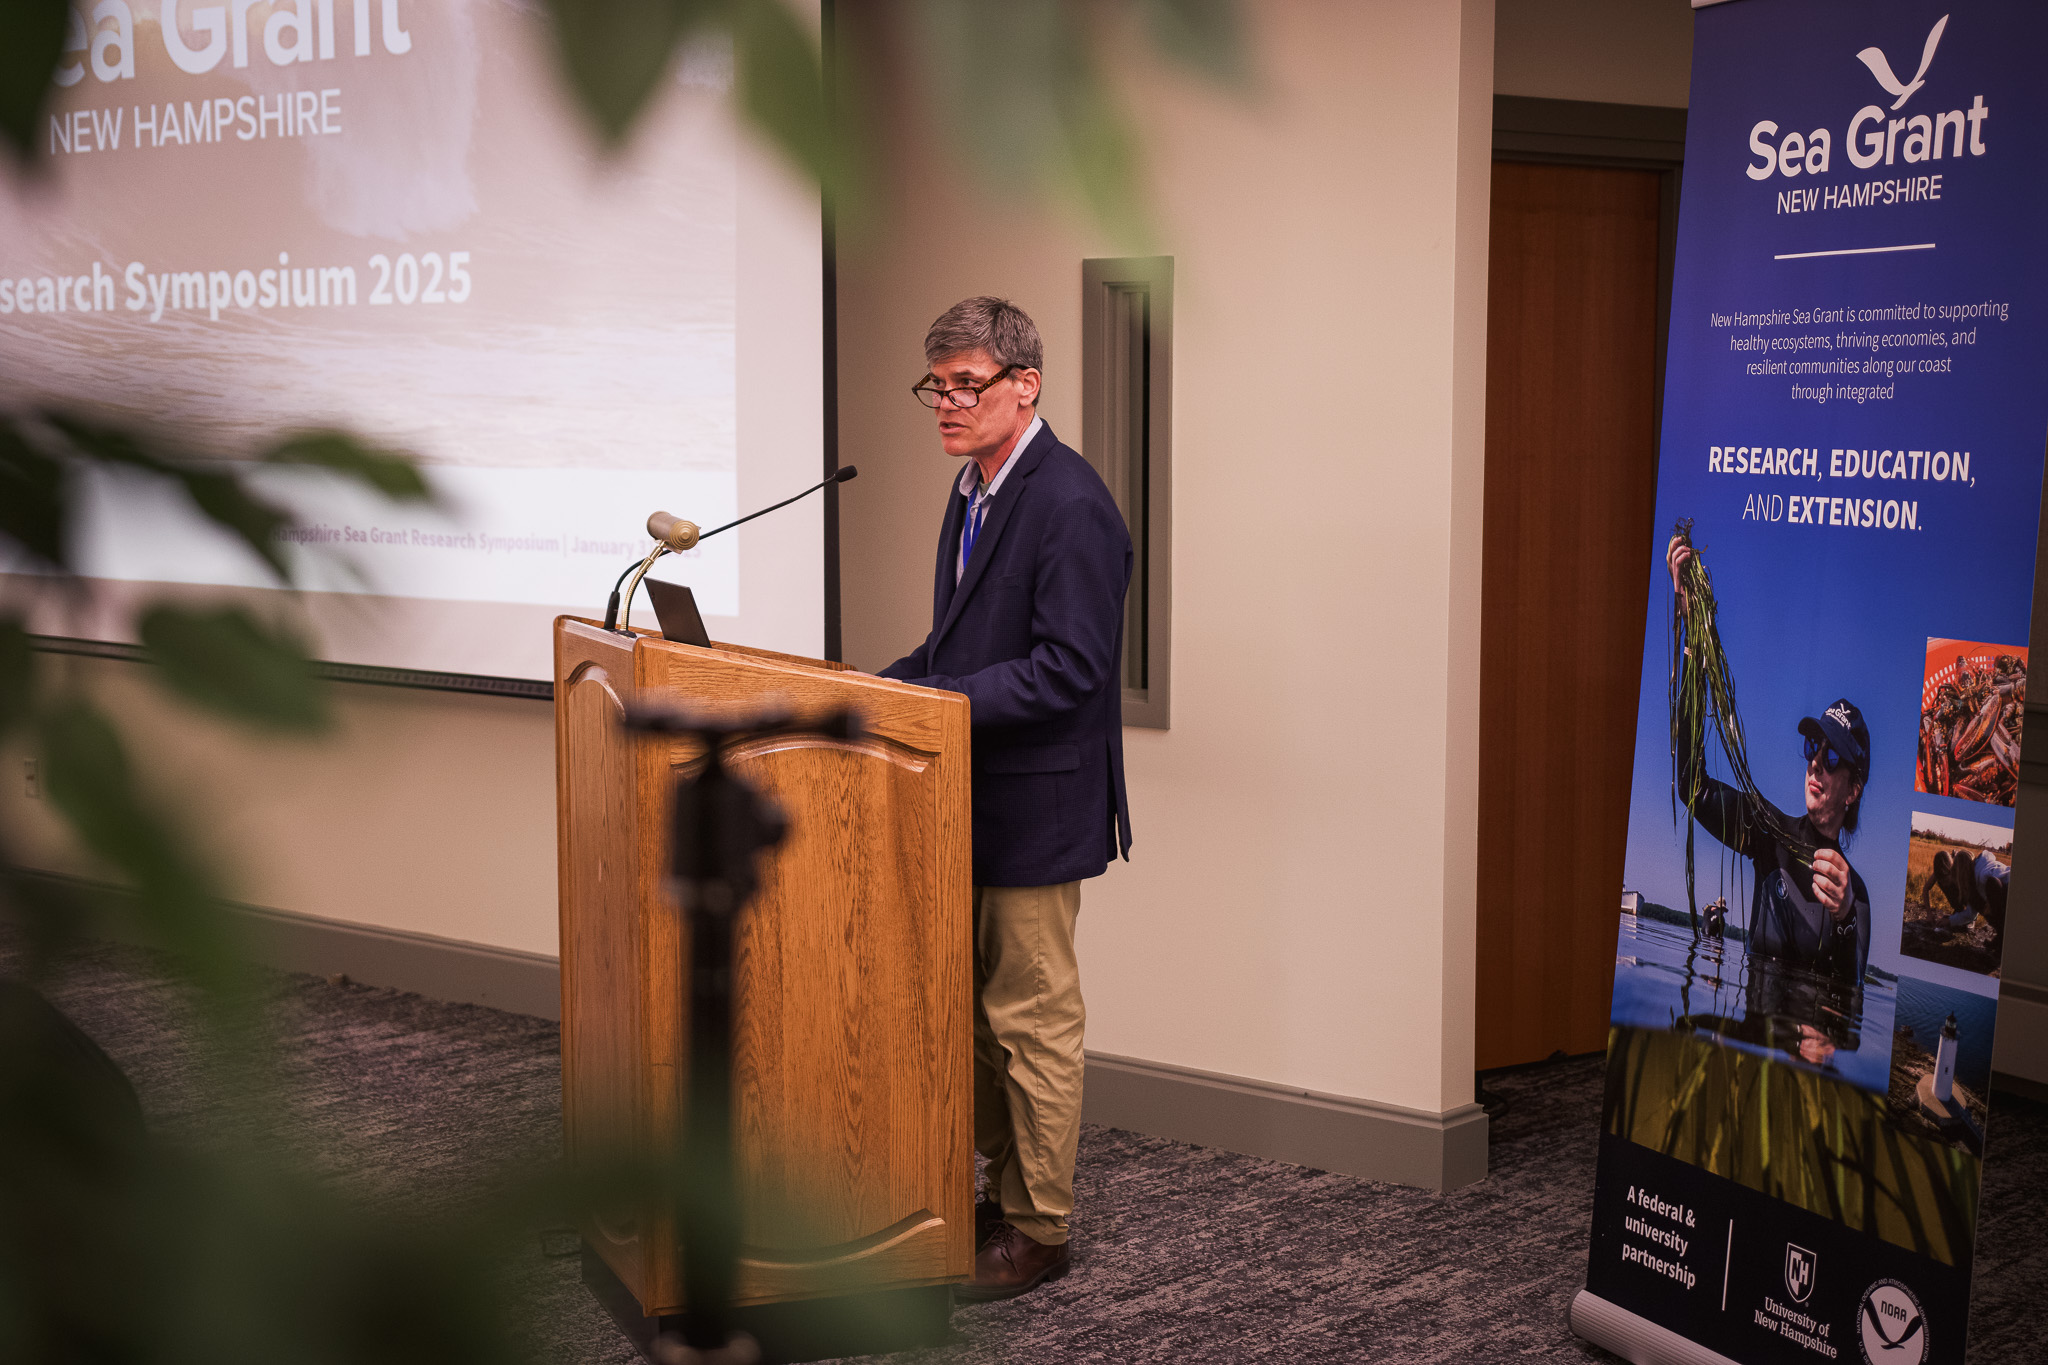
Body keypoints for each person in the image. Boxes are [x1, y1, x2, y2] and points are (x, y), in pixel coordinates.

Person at [877, 297, 1133, 1301]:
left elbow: (1070, 670)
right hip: (968, 795)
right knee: (974, 1025)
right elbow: (959, 649)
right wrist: (878, 683)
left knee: (1030, 1022)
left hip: (1037, 803)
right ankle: (1000, 1193)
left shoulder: (1068, 503)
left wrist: (930, 698)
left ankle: (1041, 1229)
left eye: (965, 385)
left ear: (1024, 386)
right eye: (934, 386)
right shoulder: (972, 488)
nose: (945, 403)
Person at [1667, 538, 1871, 983]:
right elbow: (1690, 784)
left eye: (1832, 755)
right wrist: (1692, 637)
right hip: (1750, 1051)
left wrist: (1845, 918)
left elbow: (1851, 1006)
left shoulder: (1855, 895)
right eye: (1812, 748)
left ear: (1853, 789)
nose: (1817, 762)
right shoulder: (1769, 834)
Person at [1930, 847, 2009, 952]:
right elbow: (1970, 913)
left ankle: (2005, 939)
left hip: (2016, 899)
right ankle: (2001, 937)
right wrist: (1949, 921)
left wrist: (1993, 900)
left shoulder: (1984, 872)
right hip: (2006, 904)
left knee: (1992, 884)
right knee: (1978, 903)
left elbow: (1999, 882)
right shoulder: (1974, 884)